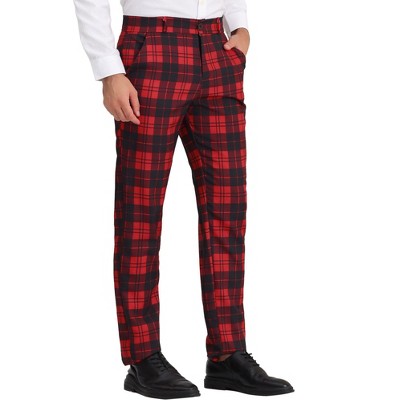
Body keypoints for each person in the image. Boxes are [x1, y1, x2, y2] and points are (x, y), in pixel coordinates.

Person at [73, 1, 294, 398]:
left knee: (228, 208)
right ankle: (143, 357)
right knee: (141, 212)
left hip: (217, 48)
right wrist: (108, 68)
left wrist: (239, 25)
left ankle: (227, 354)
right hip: (150, 46)